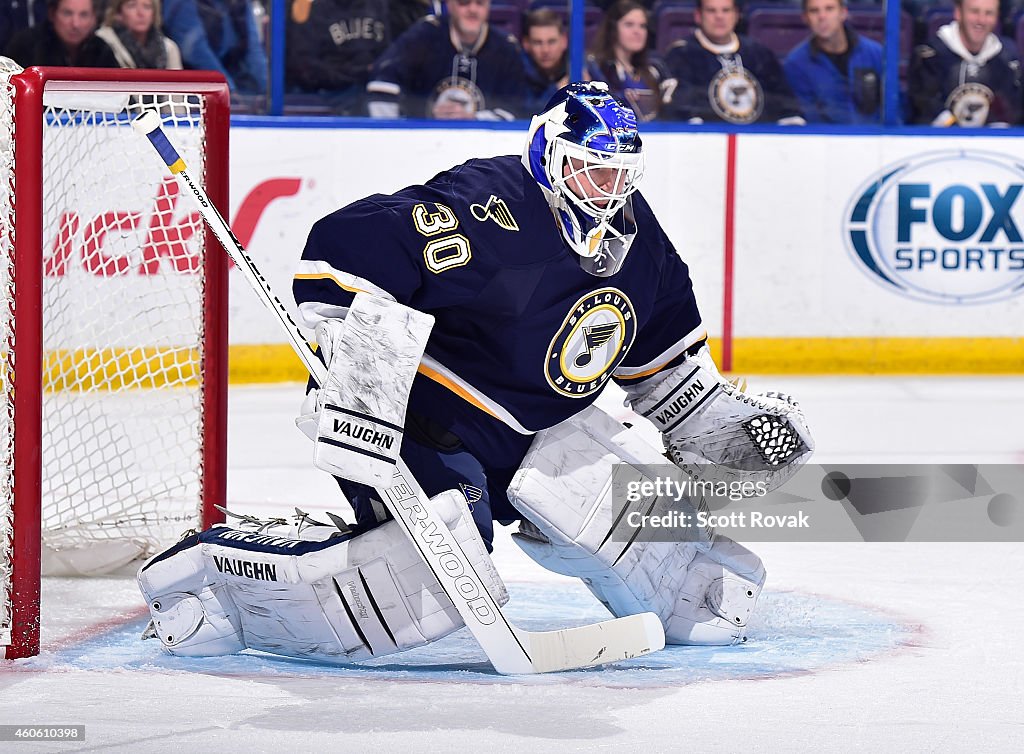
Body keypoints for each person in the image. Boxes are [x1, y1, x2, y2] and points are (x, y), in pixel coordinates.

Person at [136, 82, 814, 666]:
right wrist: (355, 349)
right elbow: (345, 247)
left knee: (687, 590)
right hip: (422, 421)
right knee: (433, 578)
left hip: (543, 432)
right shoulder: (488, 204)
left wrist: (722, 430)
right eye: (589, 170)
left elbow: (667, 372)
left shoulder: (643, 250)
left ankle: (672, 571)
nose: (607, 191)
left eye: (618, 174)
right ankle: (214, 585)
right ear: (550, 156)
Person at [365, 0, 525, 120]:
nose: (473, 9)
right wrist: (393, 132)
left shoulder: (506, 48)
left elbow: (517, 109)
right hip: (422, 145)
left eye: (480, 3)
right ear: (449, 5)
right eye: (464, 3)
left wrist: (474, 119)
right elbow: (382, 83)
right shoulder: (424, 36)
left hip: (482, 150)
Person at [662, 0, 805, 124]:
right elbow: (680, 109)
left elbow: (786, 105)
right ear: (698, 16)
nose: (719, 17)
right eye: (711, 11)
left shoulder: (759, 53)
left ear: (736, 15)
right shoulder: (681, 55)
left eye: (726, 10)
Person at [285, 0, 437, 116]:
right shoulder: (314, 7)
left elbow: (396, 51)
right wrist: (357, 73)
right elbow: (303, 65)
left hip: (376, 86)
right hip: (334, 92)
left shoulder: (382, 6)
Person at [909, 0, 1021, 126]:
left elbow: (1011, 114)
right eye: (974, 11)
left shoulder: (1007, 60)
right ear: (958, 13)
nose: (981, 20)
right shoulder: (930, 56)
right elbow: (925, 110)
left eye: (989, 13)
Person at [783, 0, 887, 124]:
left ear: (843, 13)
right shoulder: (796, 65)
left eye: (829, 9)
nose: (822, 17)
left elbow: (895, 106)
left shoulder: (876, 54)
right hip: (823, 141)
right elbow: (807, 118)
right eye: (814, 11)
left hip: (876, 139)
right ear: (805, 18)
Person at [584, 0, 672, 121]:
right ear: (613, 28)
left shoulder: (655, 70)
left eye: (642, 26)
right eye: (629, 24)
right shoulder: (595, 68)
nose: (637, 31)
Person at [161, 0, 268, 96]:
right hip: (197, 89)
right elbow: (197, 52)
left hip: (238, 86)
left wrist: (269, 90)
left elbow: (254, 50)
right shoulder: (181, 4)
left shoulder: (241, 4)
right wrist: (229, 91)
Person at [4, 0, 118, 67]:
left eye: (84, 15)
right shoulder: (25, 45)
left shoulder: (101, 49)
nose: (75, 24)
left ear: (94, 18)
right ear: (52, 14)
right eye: (67, 13)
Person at [96, 0, 182, 69]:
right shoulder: (102, 42)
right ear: (118, 14)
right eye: (132, 5)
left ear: (154, 14)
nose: (141, 13)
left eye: (147, 6)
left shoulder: (169, 48)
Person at [521, 7, 569, 116]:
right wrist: (558, 92)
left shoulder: (579, 65)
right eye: (538, 42)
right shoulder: (516, 70)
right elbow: (522, 113)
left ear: (564, 41)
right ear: (526, 44)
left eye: (551, 42)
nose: (545, 50)